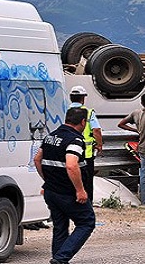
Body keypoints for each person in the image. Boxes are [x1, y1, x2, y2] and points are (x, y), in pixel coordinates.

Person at [33, 107, 95, 263]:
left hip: (51, 191)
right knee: (87, 222)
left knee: (60, 227)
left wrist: (48, 179)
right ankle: (61, 258)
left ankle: (58, 260)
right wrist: (80, 190)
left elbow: (37, 159)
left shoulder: (50, 136)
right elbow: (71, 165)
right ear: (83, 122)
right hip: (68, 193)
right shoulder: (75, 139)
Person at [117, 92, 145, 205]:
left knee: (144, 176)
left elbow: (121, 124)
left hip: (141, 148)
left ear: (142, 102)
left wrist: (135, 130)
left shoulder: (136, 113)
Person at [68, 85, 103, 202]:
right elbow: (96, 130)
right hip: (85, 154)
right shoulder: (88, 112)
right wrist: (99, 144)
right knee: (87, 182)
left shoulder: (65, 110)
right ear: (83, 98)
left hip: (68, 153)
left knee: (70, 180)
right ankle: (87, 206)